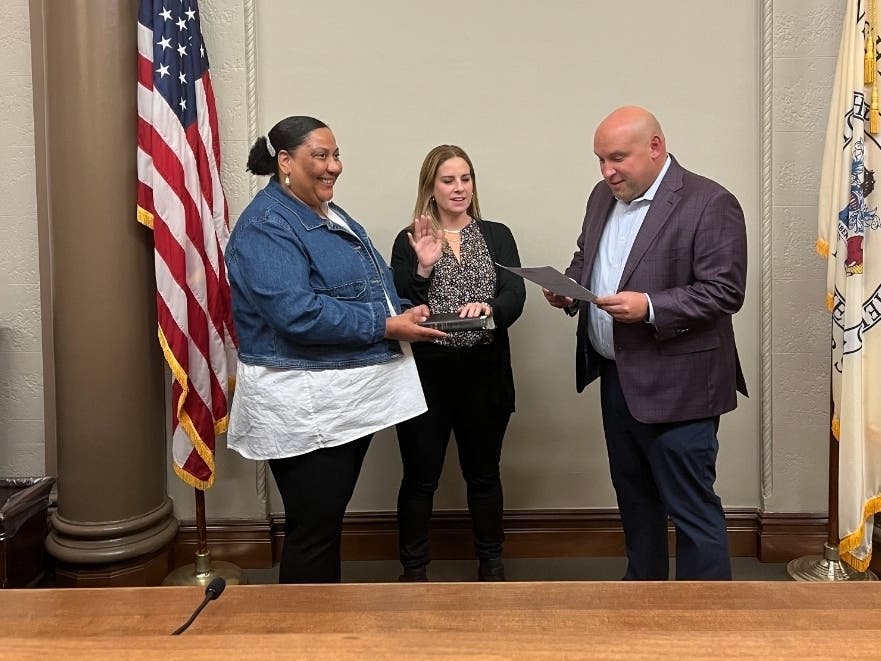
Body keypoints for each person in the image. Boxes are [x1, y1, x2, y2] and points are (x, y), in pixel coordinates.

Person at [225, 116, 445, 584]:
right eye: (319, 156)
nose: (333, 167)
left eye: (335, 155)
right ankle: (304, 640)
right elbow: (296, 314)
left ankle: (323, 631)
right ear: (284, 161)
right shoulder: (266, 225)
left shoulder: (329, 213)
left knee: (324, 525)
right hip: (304, 407)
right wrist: (388, 325)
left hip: (343, 398)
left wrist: (412, 310)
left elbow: (362, 291)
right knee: (314, 531)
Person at [544, 106, 748, 580]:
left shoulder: (709, 201)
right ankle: (645, 602)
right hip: (617, 380)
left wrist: (650, 307)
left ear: (655, 147)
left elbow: (724, 291)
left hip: (681, 386)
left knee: (692, 510)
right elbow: (589, 260)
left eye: (617, 158)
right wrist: (569, 289)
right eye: (599, 160)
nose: (606, 172)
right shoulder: (602, 197)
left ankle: (706, 622)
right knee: (634, 501)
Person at [390, 145, 526, 582]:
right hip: (427, 375)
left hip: (484, 374)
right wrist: (425, 268)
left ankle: (492, 565)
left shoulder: (496, 235)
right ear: (430, 185)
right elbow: (402, 301)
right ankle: (413, 571)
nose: (459, 188)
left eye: (465, 178)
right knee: (420, 478)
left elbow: (514, 295)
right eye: (448, 180)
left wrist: (489, 306)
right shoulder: (408, 239)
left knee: (484, 476)